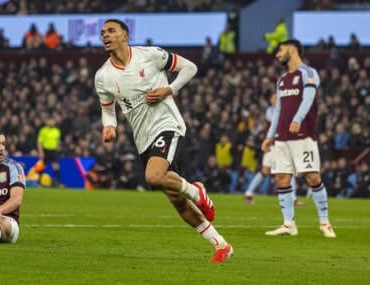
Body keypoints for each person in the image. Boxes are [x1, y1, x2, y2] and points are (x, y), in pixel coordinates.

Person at [95, 19, 233, 263]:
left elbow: (190, 68)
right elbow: (108, 109)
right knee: (177, 201)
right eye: (103, 32)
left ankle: (196, 190)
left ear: (125, 36)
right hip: (142, 138)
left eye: (111, 31)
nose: (105, 35)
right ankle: (220, 244)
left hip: (167, 124)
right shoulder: (103, 76)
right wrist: (110, 126)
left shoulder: (150, 55)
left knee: (153, 177)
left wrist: (170, 89)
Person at [262, 39, 336, 238]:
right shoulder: (282, 80)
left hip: (303, 135)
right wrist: (270, 136)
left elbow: (309, 98)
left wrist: (297, 119)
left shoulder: (308, 73)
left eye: (280, 50)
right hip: (282, 138)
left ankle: (325, 222)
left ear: (292, 50)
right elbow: (278, 109)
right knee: (282, 178)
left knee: (313, 176)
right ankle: (288, 224)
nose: (277, 54)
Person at [244, 94, 305, 206]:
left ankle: (294, 199)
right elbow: (277, 121)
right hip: (272, 145)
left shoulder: (285, 111)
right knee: (265, 171)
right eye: (274, 99)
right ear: (271, 101)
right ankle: (248, 193)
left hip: (282, 144)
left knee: (288, 170)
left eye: (278, 99)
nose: (276, 100)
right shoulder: (270, 111)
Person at [36, 115, 62, 187]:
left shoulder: (57, 131)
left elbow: (57, 141)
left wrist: (58, 149)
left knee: (56, 166)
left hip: (53, 150)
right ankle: (39, 182)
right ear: (47, 122)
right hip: (45, 150)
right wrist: (41, 152)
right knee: (42, 166)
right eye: (50, 121)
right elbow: (39, 142)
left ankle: (59, 182)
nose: (51, 122)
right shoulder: (43, 130)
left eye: (52, 121)